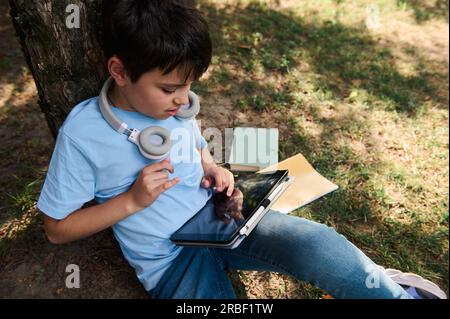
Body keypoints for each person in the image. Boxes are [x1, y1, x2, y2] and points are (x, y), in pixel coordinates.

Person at [36, 0, 446, 299]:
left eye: (190, 85)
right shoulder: (84, 133)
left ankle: (393, 291)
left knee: (322, 247)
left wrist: (212, 167)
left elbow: (196, 146)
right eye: (169, 88)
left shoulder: (173, 105)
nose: (183, 100)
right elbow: (57, 229)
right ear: (120, 71)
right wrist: (131, 201)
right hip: (171, 263)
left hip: (219, 221)